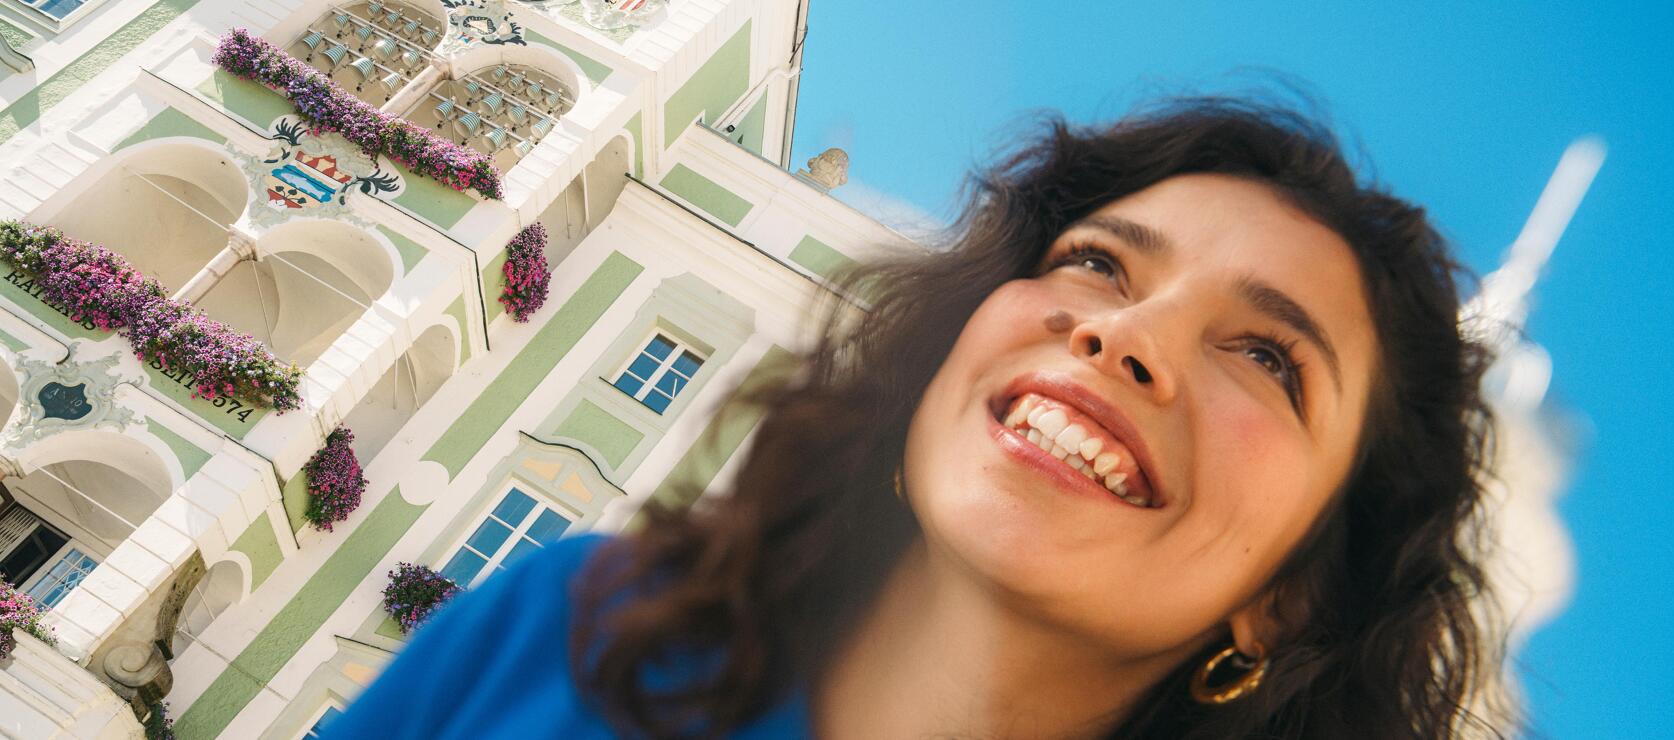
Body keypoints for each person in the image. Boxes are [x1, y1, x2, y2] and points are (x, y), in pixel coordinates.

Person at [331, 99, 1502, 739]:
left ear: (1291, 593)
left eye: (1267, 354)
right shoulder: (578, 626)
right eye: (1096, 261)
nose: (1125, 334)